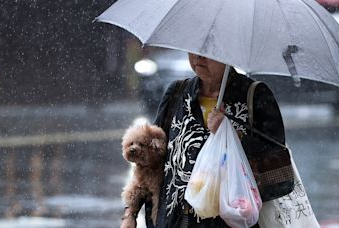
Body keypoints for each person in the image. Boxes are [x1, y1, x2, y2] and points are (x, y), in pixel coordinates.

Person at [121, 53, 286, 228]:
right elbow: (148, 162)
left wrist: (233, 135)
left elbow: (278, 166)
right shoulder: (177, 93)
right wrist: (130, 213)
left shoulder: (255, 95)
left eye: (209, 51)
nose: (198, 57)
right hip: (176, 220)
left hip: (232, 221)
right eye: (194, 49)